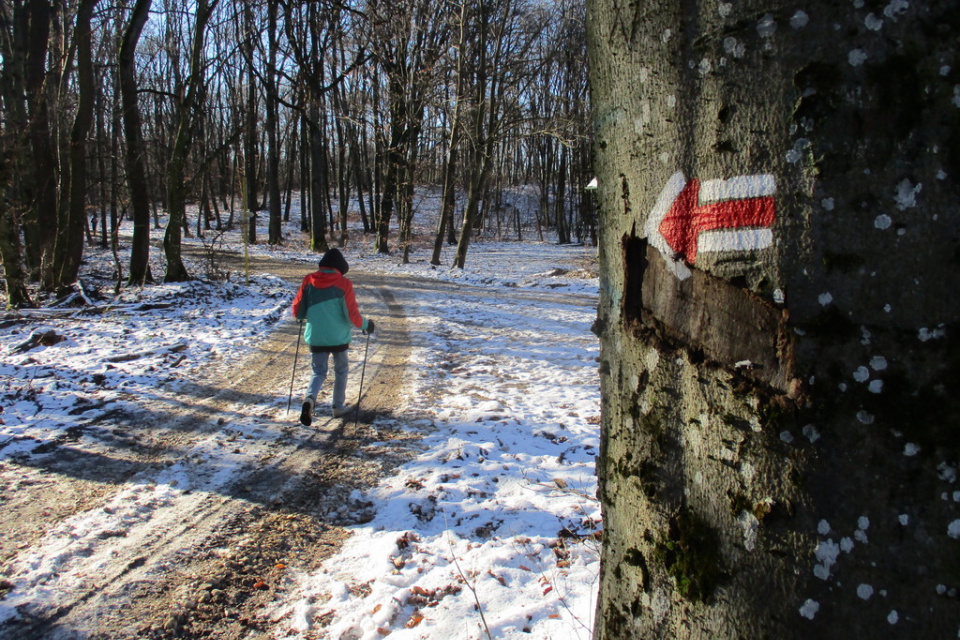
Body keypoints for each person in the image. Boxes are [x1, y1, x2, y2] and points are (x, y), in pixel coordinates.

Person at [291, 248, 374, 426]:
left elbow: (298, 310)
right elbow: (352, 314)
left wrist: (303, 316)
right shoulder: (344, 284)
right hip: (338, 338)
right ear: (340, 267)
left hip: (316, 336)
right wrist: (367, 325)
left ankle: (309, 399)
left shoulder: (309, 280)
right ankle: (337, 406)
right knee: (341, 371)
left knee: (318, 372)